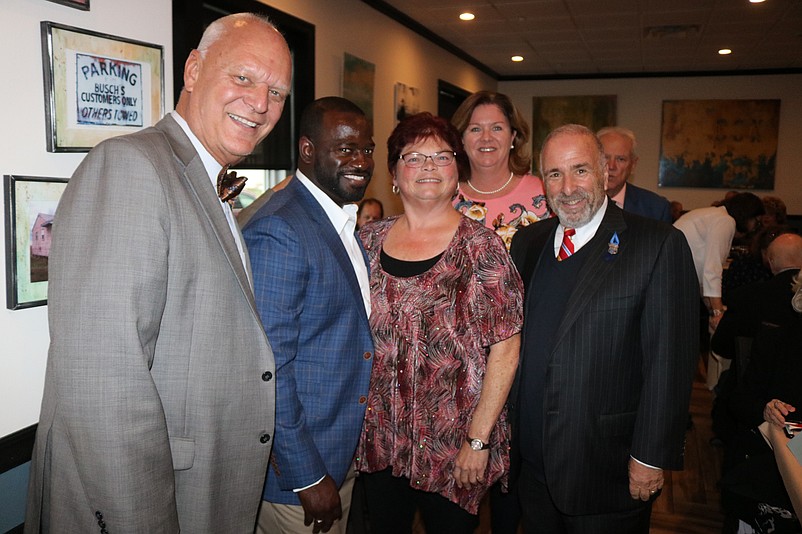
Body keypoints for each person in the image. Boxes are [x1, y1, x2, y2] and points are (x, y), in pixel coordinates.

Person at [23, 13, 290, 533]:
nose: (260, 103)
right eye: (243, 77)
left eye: (277, 92)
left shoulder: (203, 181)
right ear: (193, 69)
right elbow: (106, 381)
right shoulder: (130, 167)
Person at [510, 124, 698, 533]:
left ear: (604, 173)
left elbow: (671, 362)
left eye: (580, 170)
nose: (568, 186)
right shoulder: (527, 243)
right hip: (532, 470)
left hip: (607, 470)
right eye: (555, 174)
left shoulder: (657, 244)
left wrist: (649, 457)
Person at [355, 112, 523, 534]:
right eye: (414, 157)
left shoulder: (482, 247)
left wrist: (478, 440)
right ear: (394, 174)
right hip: (379, 438)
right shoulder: (366, 241)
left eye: (441, 156)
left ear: (457, 171)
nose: (429, 167)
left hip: (454, 445)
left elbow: (506, 348)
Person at [242, 96, 376, 534]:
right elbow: (269, 369)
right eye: (345, 148)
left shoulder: (338, 219)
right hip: (299, 479)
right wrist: (307, 476)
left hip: (336, 455)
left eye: (366, 148)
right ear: (307, 150)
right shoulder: (282, 229)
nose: (361, 160)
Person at [452, 90, 550, 250]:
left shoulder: (544, 194)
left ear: (513, 136)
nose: (486, 138)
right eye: (475, 129)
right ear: (462, 138)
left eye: (496, 128)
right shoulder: (445, 198)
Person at [674, 192, 765, 332]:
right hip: (675, 281)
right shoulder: (725, 221)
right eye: (756, 221)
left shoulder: (714, 215)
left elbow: (703, 267)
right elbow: (712, 269)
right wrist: (718, 311)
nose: (755, 227)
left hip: (674, 278)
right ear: (747, 214)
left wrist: (711, 305)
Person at [597, 126, 672, 223]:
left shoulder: (656, 209)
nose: (611, 166)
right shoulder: (574, 202)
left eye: (620, 159)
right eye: (605, 158)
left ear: (633, 165)